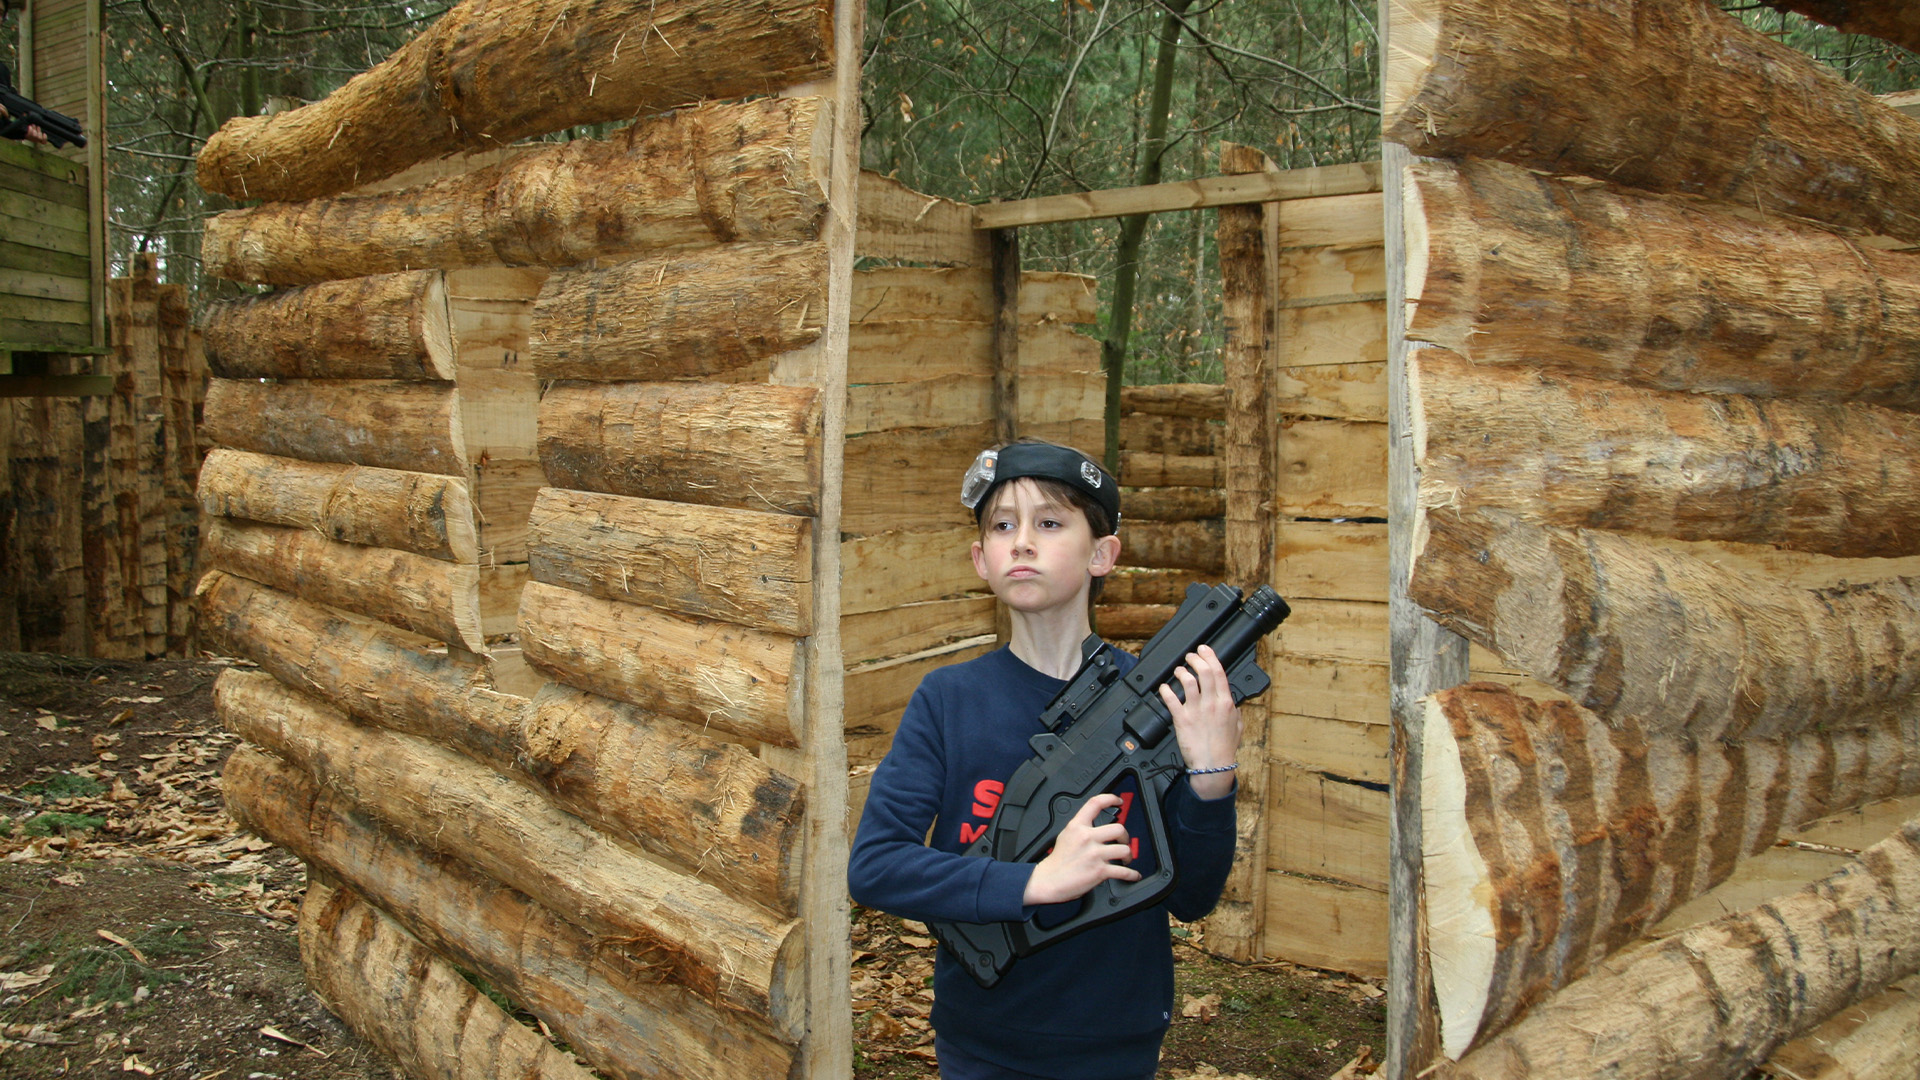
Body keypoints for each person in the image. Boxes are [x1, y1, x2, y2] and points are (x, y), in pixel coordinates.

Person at [848, 439, 1246, 1080]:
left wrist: (1212, 774)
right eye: (1003, 526)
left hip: (1115, 1037)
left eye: (1051, 523)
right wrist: (1033, 883)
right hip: (982, 1041)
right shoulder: (948, 700)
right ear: (981, 558)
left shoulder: (1158, 702)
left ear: (1102, 554)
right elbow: (875, 867)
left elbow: (1193, 897)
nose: (1023, 543)